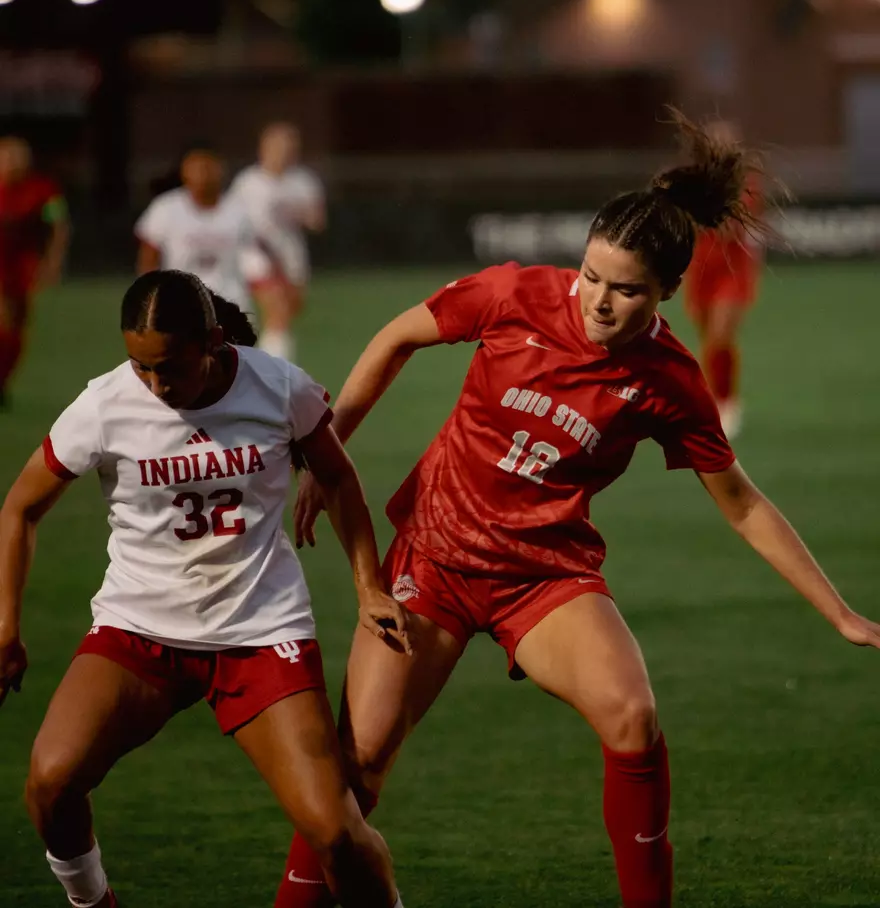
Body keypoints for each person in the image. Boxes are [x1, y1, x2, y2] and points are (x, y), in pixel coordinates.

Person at [274, 112, 880, 908]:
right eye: (591, 275)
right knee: (359, 764)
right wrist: (331, 450)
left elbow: (742, 505)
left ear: (665, 292)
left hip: (543, 577)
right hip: (435, 559)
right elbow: (395, 338)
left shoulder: (669, 379)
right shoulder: (515, 295)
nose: (597, 300)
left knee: (633, 717)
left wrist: (836, 612)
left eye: (625, 289)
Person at [0, 270, 410, 908]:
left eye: (171, 368)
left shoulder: (277, 386)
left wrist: (370, 587)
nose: (156, 386)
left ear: (215, 342)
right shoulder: (106, 404)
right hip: (138, 630)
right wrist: (6, 628)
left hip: (260, 630)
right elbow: (20, 508)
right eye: (141, 367)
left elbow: (337, 476)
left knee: (335, 834)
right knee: (49, 784)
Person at [683, 120, 764, 438]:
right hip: (701, 270)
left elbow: (729, 225)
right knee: (708, 341)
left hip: (732, 270)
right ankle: (713, 399)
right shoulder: (692, 181)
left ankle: (727, 403)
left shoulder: (747, 183)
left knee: (720, 335)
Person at [230, 122, 326, 362]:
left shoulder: (303, 181)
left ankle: (264, 354)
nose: (285, 152)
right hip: (257, 253)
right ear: (264, 148)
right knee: (278, 309)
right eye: (279, 146)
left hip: (291, 252)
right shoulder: (248, 183)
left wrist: (305, 215)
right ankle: (270, 368)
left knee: (289, 310)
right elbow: (231, 220)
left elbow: (318, 221)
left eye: (290, 147)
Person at [135, 147, 264, 312]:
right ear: (184, 172)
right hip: (181, 300)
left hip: (231, 299)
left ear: (221, 170)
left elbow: (254, 258)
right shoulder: (166, 208)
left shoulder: (239, 210)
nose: (203, 174)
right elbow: (149, 256)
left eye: (208, 168)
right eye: (196, 169)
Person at [0, 136, 69, 406]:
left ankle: (3, 381)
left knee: (18, 329)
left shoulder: (43, 190)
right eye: (8, 156)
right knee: (3, 322)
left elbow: (59, 225)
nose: (15, 162)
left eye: (20, 156)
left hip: (22, 265)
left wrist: (53, 261)